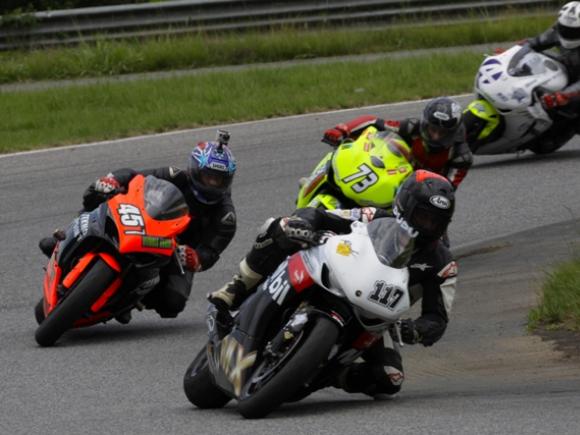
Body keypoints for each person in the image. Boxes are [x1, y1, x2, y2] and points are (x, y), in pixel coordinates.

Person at [209, 169, 458, 397]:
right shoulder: (373, 217)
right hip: (338, 278)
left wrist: (415, 330)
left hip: (376, 320)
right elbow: (321, 215)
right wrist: (304, 224)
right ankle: (235, 288)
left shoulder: (443, 264)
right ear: (405, 205)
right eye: (423, 216)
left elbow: (438, 318)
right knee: (282, 227)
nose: (427, 225)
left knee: (390, 378)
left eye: (435, 221)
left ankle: (328, 375)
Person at [39, 130, 237, 321]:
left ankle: (131, 301)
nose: (211, 183)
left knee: (173, 302)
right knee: (98, 193)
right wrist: (113, 180)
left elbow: (211, 252)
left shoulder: (225, 216)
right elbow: (135, 177)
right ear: (195, 169)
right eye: (208, 176)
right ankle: (65, 239)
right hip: (141, 222)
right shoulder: (175, 175)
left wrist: (196, 258)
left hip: (173, 252)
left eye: (218, 179)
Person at [321, 96, 472, 189]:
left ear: (453, 132)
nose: (436, 136)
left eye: (443, 133)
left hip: (422, 191)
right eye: (433, 129)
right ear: (425, 124)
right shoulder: (413, 128)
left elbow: (448, 189)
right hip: (390, 176)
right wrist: (342, 130)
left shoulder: (460, 155)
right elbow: (374, 122)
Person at [526, 1, 580, 111]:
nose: (568, 33)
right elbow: (535, 43)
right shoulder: (558, 29)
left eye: (574, 31)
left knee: (567, 107)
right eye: (564, 29)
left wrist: (565, 94)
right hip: (569, 68)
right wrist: (509, 53)